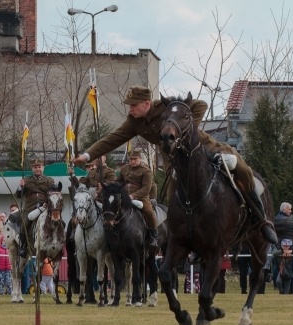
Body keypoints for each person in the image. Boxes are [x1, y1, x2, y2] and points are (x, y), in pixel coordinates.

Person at [73, 85, 278, 245]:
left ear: (146, 103)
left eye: (133, 105)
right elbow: (112, 139)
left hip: (205, 148)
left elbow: (201, 105)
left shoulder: (168, 106)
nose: (130, 109)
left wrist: (185, 129)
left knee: (242, 169)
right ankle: (187, 240)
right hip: (177, 163)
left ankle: (262, 221)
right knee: (174, 199)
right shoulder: (134, 122)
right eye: (130, 105)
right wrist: (86, 155)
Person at [117, 149, 158, 247]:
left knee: (149, 212)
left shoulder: (146, 171)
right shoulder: (124, 169)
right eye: (131, 159)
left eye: (135, 159)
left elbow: (146, 188)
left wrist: (133, 196)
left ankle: (154, 236)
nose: (132, 161)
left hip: (141, 198)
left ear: (140, 158)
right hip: (124, 196)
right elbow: (118, 182)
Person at [16, 159, 55, 257]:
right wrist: (20, 186)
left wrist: (47, 203)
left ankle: (56, 242)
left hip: (45, 206)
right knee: (24, 223)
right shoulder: (26, 180)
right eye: (35, 167)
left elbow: (53, 194)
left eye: (39, 167)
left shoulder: (49, 180)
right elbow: (19, 195)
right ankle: (23, 246)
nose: (37, 169)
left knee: (57, 220)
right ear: (32, 169)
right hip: (30, 206)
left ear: (43, 168)